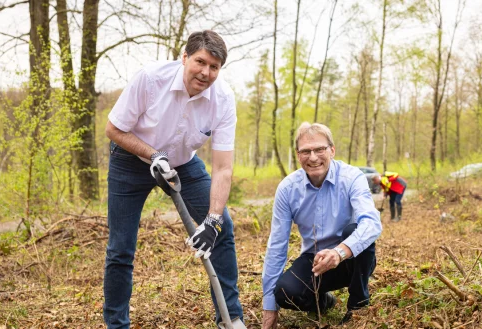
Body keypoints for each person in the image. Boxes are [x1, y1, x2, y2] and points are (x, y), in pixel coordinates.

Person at [103, 30, 244, 329]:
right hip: (131, 160)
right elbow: (114, 129)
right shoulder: (150, 79)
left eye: (214, 67)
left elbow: (222, 168)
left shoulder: (223, 99)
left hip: (183, 164)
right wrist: (154, 155)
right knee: (121, 248)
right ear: (184, 57)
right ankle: (116, 324)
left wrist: (214, 219)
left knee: (223, 229)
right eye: (200, 62)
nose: (205, 73)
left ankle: (230, 318)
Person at [261, 122, 383, 328]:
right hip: (314, 259)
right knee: (283, 292)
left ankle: (358, 305)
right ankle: (324, 301)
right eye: (306, 151)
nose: (313, 157)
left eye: (320, 149)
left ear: (332, 150)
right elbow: (277, 245)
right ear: (298, 155)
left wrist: (339, 253)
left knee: (354, 230)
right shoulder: (288, 188)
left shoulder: (352, 177)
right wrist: (269, 308)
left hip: (352, 258)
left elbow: (371, 223)